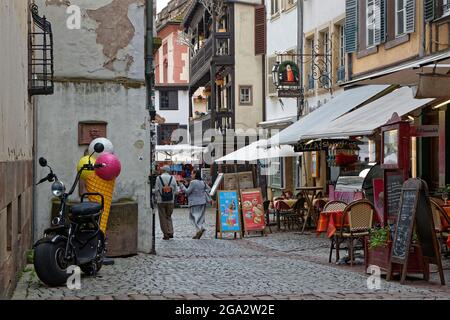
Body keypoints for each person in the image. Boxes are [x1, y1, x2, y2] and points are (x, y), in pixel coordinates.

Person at [179, 171, 211, 239]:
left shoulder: (193, 182)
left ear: (195, 174)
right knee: (200, 217)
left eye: (192, 173)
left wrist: (182, 186)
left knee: (194, 217)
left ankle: (199, 229)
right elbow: (209, 189)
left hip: (194, 202)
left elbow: (187, 192)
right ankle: (200, 229)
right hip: (203, 201)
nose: (191, 175)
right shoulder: (203, 182)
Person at [155, 165, 178, 240]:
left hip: (161, 200)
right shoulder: (173, 178)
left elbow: (156, 190)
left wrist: (157, 196)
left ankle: (165, 234)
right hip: (170, 201)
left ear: (163, 170)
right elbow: (176, 191)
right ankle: (170, 231)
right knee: (169, 216)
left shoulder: (158, 178)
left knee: (162, 217)